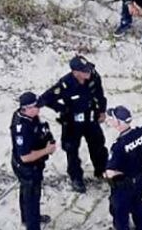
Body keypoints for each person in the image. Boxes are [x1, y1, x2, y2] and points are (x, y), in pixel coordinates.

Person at [39, 55, 108, 193]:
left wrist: (102, 111)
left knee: (98, 146)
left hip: (90, 118)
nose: (88, 72)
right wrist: (63, 109)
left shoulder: (94, 77)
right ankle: (76, 178)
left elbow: (100, 94)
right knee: (71, 151)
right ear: (75, 72)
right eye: (84, 71)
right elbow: (45, 99)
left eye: (88, 69)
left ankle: (102, 171)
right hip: (72, 122)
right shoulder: (65, 84)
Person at [10, 92, 57, 230]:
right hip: (27, 168)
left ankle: (27, 218)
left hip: (33, 164)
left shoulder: (31, 116)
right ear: (26, 108)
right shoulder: (21, 129)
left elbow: (38, 127)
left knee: (26, 192)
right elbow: (25, 157)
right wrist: (46, 150)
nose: (39, 110)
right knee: (32, 199)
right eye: (36, 107)